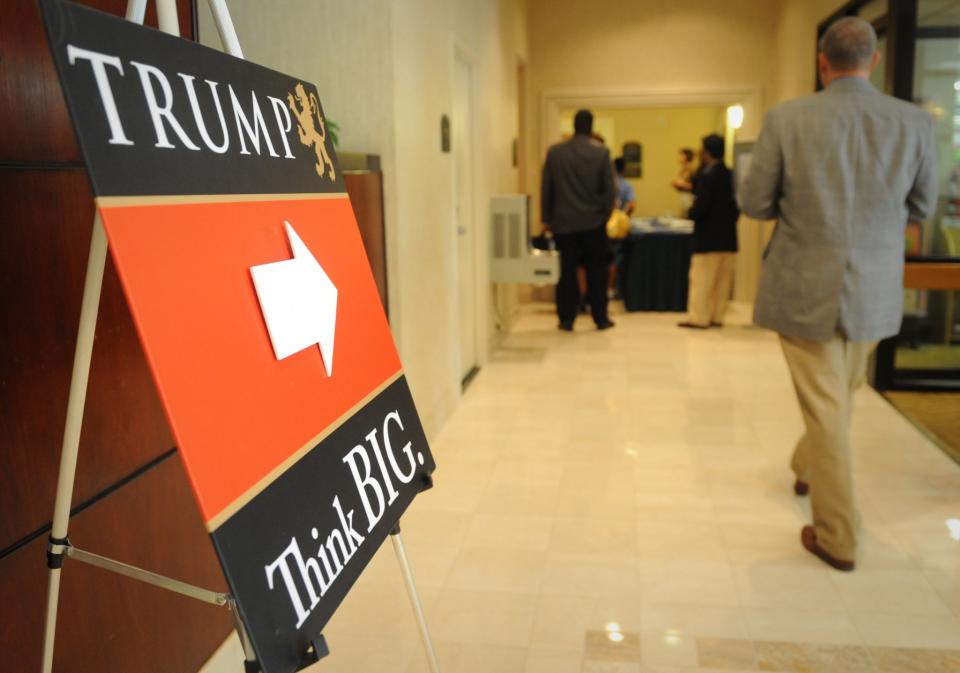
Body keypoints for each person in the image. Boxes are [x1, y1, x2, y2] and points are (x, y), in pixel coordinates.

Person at [740, 16, 938, 571]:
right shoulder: (915, 124)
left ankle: (838, 535)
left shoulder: (787, 119)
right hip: (874, 290)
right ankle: (806, 468)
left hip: (804, 286)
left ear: (823, 63)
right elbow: (922, 206)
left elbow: (755, 203)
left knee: (829, 403)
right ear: (872, 61)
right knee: (837, 396)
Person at [541, 109, 616, 330]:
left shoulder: (556, 153)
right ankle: (600, 318)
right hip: (594, 223)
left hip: (563, 223)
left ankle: (566, 319)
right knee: (596, 271)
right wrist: (605, 215)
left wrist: (547, 217)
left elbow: (547, 188)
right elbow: (609, 191)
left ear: (574, 125)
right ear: (591, 127)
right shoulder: (601, 153)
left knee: (566, 272)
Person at [678, 134, 739, 329]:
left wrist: (691, 213)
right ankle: (717, 316)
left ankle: (699, 318)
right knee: (722, 281)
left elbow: (700, 207)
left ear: (706, 152)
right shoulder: (731, 174)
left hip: (707, 238)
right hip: (728, 237)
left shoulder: (707, 176)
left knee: (703, 280)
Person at [608, 157, 637, 296]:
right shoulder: (625, 185)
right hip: (617, 227)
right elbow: (632, 204)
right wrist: (625, 216)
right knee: (615, 258)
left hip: (602, 224)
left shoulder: (605, 183)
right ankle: (611, 288)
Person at [671, 148, 697, 215]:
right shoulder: (683, 169)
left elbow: (695, 186)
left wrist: (682, 185)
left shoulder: (692, 169)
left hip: (690, 198)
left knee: (688, 217)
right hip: (683, 197)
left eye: (681, 155)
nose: (679, 157)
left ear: (686, 156)